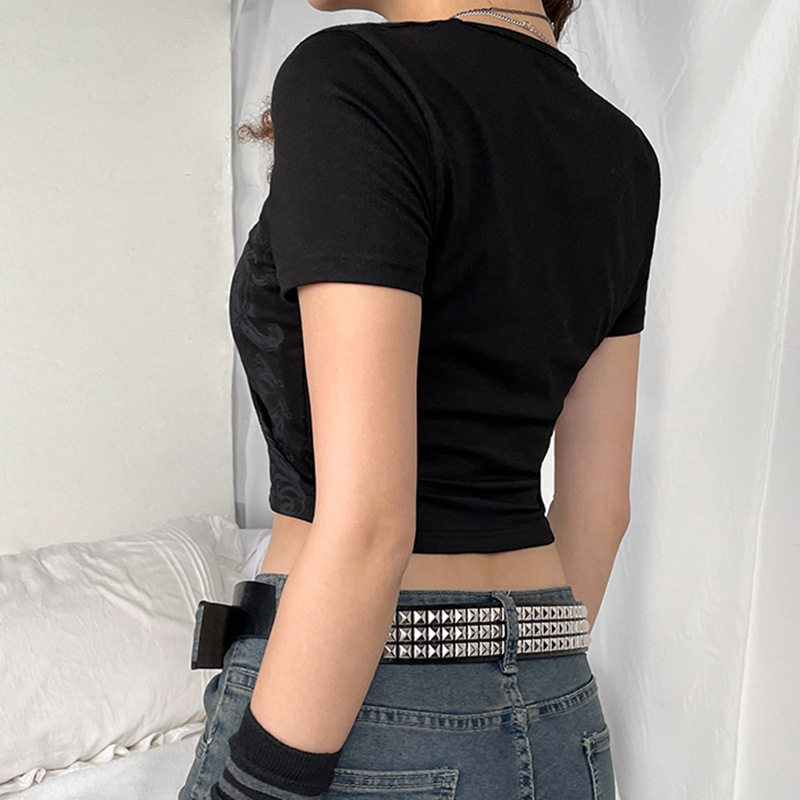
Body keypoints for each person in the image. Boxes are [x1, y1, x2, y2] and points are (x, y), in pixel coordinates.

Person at [178, 1, 661, 798]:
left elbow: (371, 524)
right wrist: (505, 685)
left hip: (349, 715)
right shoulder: (623, 151)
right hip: (563, 715)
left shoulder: (353, 78)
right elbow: (600, 511)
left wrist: (258, 783)